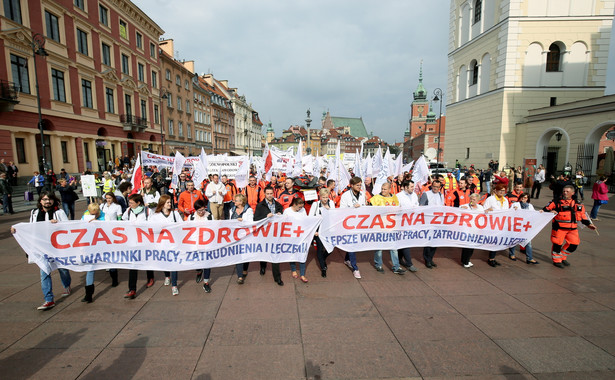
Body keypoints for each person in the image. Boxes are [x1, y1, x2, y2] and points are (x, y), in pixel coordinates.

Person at [11, 191, 71, 310]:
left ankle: (67, 285)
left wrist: (58, 224)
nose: (47, 201)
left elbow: (68, 227)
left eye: (49, 199)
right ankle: (49, 299)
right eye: (44, 199)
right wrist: (17, 227)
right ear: (40, 201)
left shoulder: (59, 212)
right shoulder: (34, 212)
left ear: (53, 201)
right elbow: (30, 227)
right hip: (41, 248)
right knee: (44, 272)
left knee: (62, 269)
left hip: (57, 247)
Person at [543, 185, 596, 268]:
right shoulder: (556, 201)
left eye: (567, 191)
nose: (565, 193)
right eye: (564, 191)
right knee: (557, 244)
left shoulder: (578, 203)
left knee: (574, 244)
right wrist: (551, 211)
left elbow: (582, 216)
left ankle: (562, 256)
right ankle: (557, 260)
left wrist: (589, 224)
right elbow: (545, 209)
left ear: (573, 193)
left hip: (572, 229)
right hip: (559, 228)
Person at [122, 194, 154, 299]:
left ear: (138, 203)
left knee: (146, 261)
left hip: (145, 242)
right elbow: (122, 222)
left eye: (131, 203)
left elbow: (152, 225)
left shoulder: (147, 211)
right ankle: (132, 289)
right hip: (133, 242)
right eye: (129, 202)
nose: (129, 204)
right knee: (133, 265)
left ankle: (150, 278)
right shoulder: (128, 211)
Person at [369, 182, 405, 275]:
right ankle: (378, 264)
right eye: (382, 188)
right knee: (379, 247)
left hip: (391, 227)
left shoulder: (395, 198)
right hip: (380, 227)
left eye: (385, 189)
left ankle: (396, 267)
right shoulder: (376, 199)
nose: (383, 191)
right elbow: (369, 211)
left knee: (393, 247)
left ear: (389, 190)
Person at [151, 195, 182, 296]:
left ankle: (174, 286)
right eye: (167, 202)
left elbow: (182, 225)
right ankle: (167, 276)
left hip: (173, 243)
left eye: (170, 202)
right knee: (164, 262)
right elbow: (151, 229)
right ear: (162, 204)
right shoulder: (155, 216)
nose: (169, 204)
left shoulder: (175, 214)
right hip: (162, 243)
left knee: (173, 264)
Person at [254, 186, 284, 285]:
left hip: (275, 233)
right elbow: (256, 219)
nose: (270, 195)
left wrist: (280, 214)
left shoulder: (278, 205)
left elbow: (283, 217)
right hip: (265, 233)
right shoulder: (260, 206)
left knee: (275, 255)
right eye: (268, 194)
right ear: (265, 194)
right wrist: (265, 217)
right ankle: (263, 267)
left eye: (271, 193)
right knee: (264, 252)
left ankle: (277, 277)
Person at [339, 177, 366, 279]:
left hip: (358, 224)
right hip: (348, 224)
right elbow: (341, 210)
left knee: (353, 244)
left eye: (360, 185)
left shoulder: (362, 195)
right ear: (352, 185)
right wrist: (353, 208)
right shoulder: (345, 196)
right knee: (352, 245)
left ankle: (347, 260)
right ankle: (355, 268)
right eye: (357, 185)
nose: (359, 187)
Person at [80, 203, 106, 303]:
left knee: (111, 264)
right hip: (90, 246)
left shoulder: (104, 216)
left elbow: (110, 228)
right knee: (90, 268)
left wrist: (98, 222)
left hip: (103, 245)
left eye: (95, 214)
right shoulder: (84, 217)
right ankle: (88, 294)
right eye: (92, 214)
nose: (93, 216)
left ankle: (114, 277)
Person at [309, 188, 336, 277]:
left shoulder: (331, 203)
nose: (325, 199)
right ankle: (323, 268)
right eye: (323, 197)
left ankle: (323, 258)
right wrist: (314, 231)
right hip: (319, 229)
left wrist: (329, 210)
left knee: (331, 248)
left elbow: (335, 216)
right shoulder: (315, 204)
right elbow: (311, 218)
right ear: (320, 197)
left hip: (328, 229)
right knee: (320, 249)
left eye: (326, 197)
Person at [227, 194, 253, 284]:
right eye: (235, 200)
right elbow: (229, 222)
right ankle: (240, 276)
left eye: (237, 200)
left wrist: (243, 221)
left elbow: (251, 222)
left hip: (245, 236)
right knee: (238, 255)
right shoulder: (232, 210)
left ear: (242, 202)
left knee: (245, 254)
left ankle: (245, 269)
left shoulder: (248, 210)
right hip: (235, 236)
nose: (235, 202)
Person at [419, 180, 444, 268]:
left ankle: (431, 258)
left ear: (440, 187)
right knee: (428, 241)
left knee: (435, 242)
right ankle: (427, 259)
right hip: (428, 221)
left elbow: (442, 207)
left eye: (437, 187)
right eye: (434, 186)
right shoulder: (426, 194)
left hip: (437, 222)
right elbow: (421, 206)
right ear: (431, 186)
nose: (435, 188)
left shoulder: (441, 195)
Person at [509, 193, 540, 264]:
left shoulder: (530, 206)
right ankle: (512, 254)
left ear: (528, 199)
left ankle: (529, 258)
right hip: (516, 226)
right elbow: (509, 213)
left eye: (526, 197)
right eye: (523, 197)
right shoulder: (515, 205)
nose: (524, 199)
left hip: (525, 227)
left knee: (528, 243)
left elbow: (534, 214)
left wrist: (540, 212)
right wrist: (514, 210)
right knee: (514, 240)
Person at [284, 197, 309, 282]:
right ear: (294, 205)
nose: (300, 209)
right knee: (292, 254)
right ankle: (294, 270)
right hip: (291, 236)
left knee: (302, 254)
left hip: (301, 235)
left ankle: (302, 274)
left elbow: (305, 221)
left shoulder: (303, 210)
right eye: (299, 207)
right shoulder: (287, 211)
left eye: (302, 207)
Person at [483, 184, 509, 267]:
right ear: (495, 191)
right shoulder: (490, 199)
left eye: (503, 191)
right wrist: (489, 210)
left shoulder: (505, 200)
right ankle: (491, 258)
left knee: (497, 241)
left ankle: (492, 258)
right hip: (492, 224)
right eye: (500, 190)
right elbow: (484, 210)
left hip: (501, 223)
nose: (502, 192)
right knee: (493, 241)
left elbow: (507, 211)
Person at [396, 180, 419, 272]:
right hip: (401, 224)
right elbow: (396, 209)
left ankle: (399, 259)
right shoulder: (398, 196)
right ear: (405, 187)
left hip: (411, 223)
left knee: (404, 243)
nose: (413, 188)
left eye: (413, 186)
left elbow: (417, 205)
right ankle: (409, 263)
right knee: (406, 243)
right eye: (411, 186)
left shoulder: (414, 195)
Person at [459, 193, 485, 267]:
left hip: (475, 230)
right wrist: (461, 209)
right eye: (471, 199)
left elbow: (483, 217)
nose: (472, 201)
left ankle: (468, 259)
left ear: (477, 200)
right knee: (467, 246)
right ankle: (465, 261)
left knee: (472, 246)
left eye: (474, 199)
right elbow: (458, 212)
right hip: (467, 229)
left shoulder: (480, 208)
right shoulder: (465, 206)